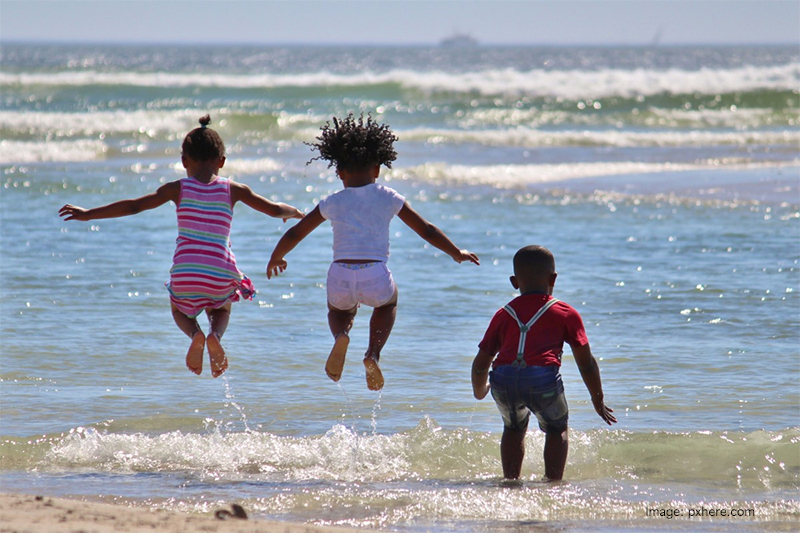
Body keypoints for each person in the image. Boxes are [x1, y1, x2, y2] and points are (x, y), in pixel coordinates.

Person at [59, 115, 304, 378]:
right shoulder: (235, 189)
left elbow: (133, 206)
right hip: (221, 270)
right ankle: (215, 336)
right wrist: (297, 212)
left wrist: (88, 213)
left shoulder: (176, 189)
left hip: (185, 272)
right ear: (222, 161)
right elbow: (275, 209)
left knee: (178, 309)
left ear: (183, 161)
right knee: (221, 307)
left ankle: (195, 334)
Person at [267, 114, 479, 391]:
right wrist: (456, 252)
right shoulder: (388, 196)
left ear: (339, 171)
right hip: (375, 274)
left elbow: (296, 232)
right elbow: (426, 230)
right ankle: (373, 354)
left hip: (340, 273)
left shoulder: (332, 201)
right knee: (388, 303)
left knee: (338, 310)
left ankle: (341, 335)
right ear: (377, 169)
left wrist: (277, 256)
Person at [471, 245, 616, 481]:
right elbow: (586, 363)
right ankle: (553, 483)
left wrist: (480, 391)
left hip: (503, 380)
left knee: (513, 428)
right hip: (542, 381)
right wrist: (597, 399)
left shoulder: (502, 314)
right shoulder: (565, 312)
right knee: (557, 427)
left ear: (514, 282)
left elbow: (480, 364)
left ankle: (510, 482)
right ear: (554, 279)